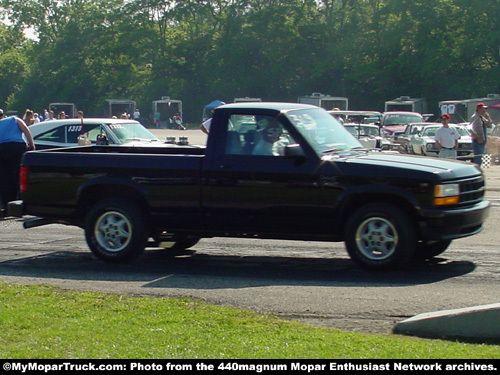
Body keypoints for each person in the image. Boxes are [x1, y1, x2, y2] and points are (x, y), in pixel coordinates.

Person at [0, 110, 35, 217]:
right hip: (17, 147)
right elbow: (25, 129)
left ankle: (7, 205)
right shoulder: (14, 119)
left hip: (2, 149)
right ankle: (21, 204)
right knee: (19, 176)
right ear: (3, 115)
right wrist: (31, 144)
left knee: (5, 178)